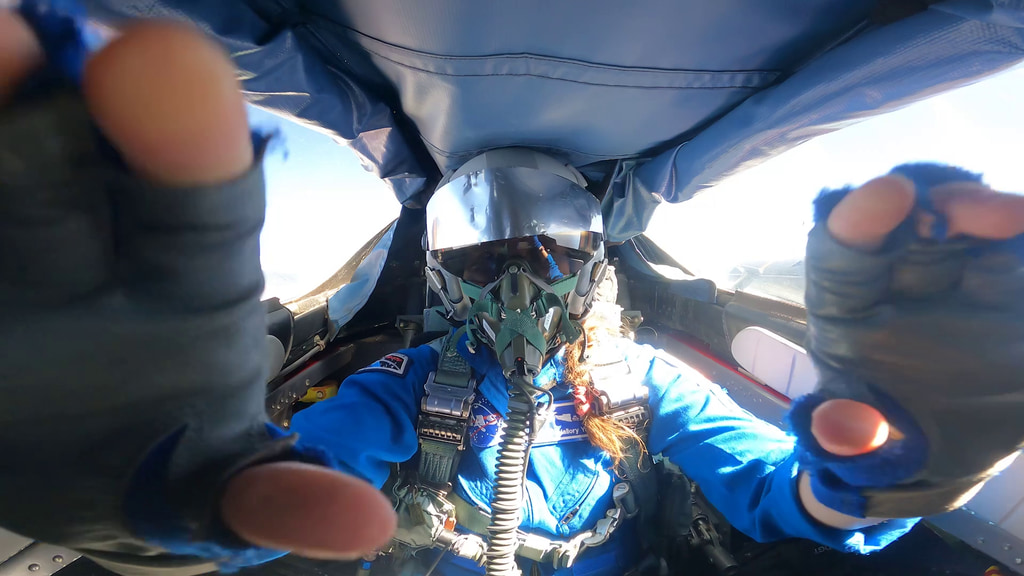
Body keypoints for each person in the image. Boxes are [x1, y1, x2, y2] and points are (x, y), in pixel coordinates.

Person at [1, 6, 1022, 576]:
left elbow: (777, 497)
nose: (525, 274)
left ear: (594, 261)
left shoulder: (647, 383)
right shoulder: (409, 383)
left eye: (549, 250)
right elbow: (310, 465)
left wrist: (892, 482)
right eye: (489, 258)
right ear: (449, 274)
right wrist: (165, 505)